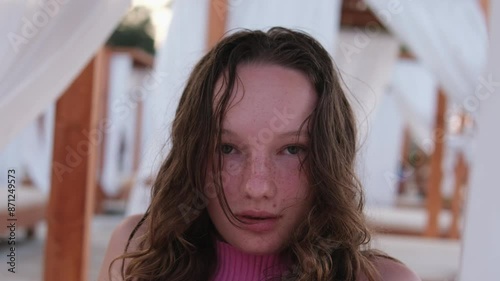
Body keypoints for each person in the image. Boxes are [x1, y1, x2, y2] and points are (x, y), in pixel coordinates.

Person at [98, 27, 421, 281]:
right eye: (227, 149)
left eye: (292, 150)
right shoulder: (138, 251)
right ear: (192, 153)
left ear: (329, 158)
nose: (257, 187)